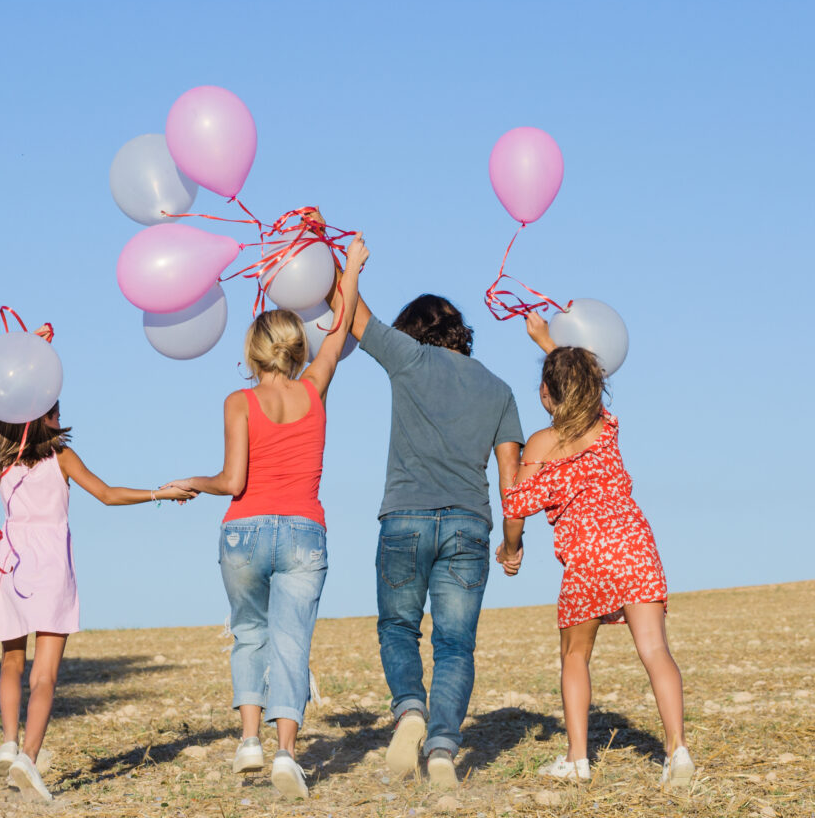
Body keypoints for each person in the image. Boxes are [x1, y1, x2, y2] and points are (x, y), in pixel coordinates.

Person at [163, 232, 368, 800]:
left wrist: (193, 483)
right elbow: (342, 317)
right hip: (304, 528)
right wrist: (349, 267)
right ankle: (285, 754)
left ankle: (249, 740)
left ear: (254, 354)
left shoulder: (238, 402)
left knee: (249, 634)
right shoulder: (317, 388)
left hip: (244, 531)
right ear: (297, 348)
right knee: (292, 643)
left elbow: (232, 482)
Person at [321, 219, 523, 789]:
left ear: (416, 334)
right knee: (456, 645)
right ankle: (441, 751)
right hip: (468, 524)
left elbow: (352, 310)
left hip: (405, 518)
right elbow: (513, 481)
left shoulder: (408, 360)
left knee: (398, 628)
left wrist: (337, 256)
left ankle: (410, 711)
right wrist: (513, 543)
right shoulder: (501, 389)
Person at [496, 313, 693, 788]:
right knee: (654, 649)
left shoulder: (542, 443)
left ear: (545, 394)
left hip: (588, 557)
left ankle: (578, 758)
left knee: (574, 657)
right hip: (633, 543)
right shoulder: (607, 428)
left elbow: (516, 506)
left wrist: (510, 548)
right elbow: (579, 380)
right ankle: (678, 751)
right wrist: (547, 340)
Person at [0, 401, 195, 802]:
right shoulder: (60, 456)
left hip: (11, 565)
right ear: (42, 416)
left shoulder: (3, 456)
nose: (61, 420)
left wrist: (32, 358)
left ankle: (9, 742)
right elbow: (107, 494)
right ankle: (27, 757)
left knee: (11, 660)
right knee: (44, 675)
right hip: (50, 567)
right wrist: (158, 493)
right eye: (56, 413)